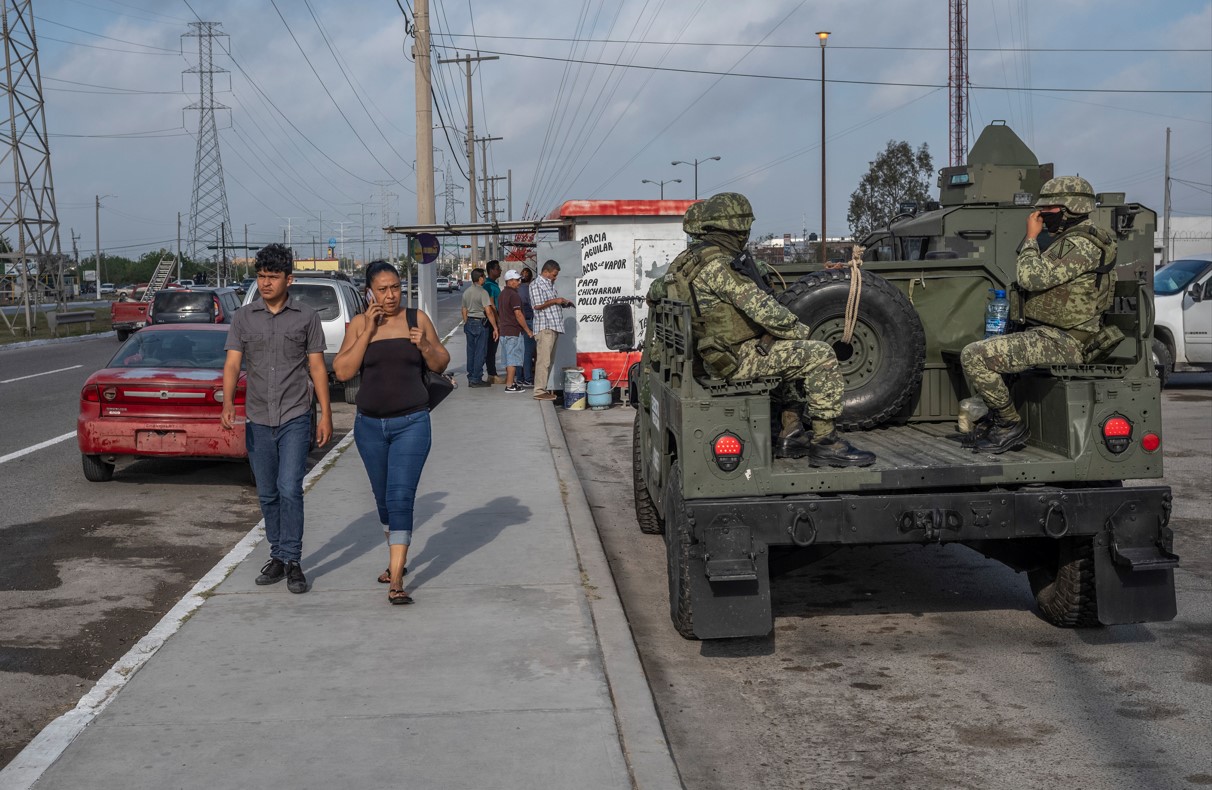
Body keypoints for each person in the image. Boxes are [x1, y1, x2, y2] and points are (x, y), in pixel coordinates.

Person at [664, 193, 876, 467]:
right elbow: (768, 312)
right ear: (735, 230)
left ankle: (792, 433)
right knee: (820, 355)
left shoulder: (686, 261)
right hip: (731, 359)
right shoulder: (718, 267)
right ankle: (825, 442)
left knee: (784, 352)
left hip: (708, 355)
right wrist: (800, 332)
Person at [960, 176, 1117, 453]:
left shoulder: (1081, 245)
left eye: (1049, 210)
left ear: (1071, 209)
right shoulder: (1068, 239)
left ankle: (1009, 425)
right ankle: (995, 418)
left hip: (1065, 341)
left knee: (974, 356)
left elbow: (1031, 278)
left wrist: (1032, 237)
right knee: (986, 353)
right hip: (1048, 334)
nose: (1041, 215)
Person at [333, 261, 450, 605]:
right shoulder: (359, 324)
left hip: (412, 422)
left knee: (401, 498)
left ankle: (397, 579)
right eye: (382, 289)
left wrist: (425, 346)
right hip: (369, 426)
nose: (390, 295)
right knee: (383, 499)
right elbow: (342, 371)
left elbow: (441, 362)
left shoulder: (417, 319)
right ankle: (394, 560)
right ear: (369, 291)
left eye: (395, 287)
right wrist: (367, 332)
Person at [221, 243, 333, 594]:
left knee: (289, 488)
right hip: (257, 417)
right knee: (268, 492)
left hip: (295, 416)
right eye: (261, 276)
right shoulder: (244, 317)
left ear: (289, 279)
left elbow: (317, 367)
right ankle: (278, 557)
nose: (266, 283)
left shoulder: (306, 317)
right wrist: (227, 403)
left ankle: (295, 561)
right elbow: (233, 364)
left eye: (273, 276)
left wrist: (326, 414)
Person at [529, 259, 573, 401]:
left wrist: (562, 303)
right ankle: (539, 390)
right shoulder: (536, 284)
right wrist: (556, 301)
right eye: (554, 275)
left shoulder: (549, 285)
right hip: (545, 327)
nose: (555, 277)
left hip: (553, 326)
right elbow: (537, 305)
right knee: (544, 361)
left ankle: (543, 389)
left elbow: (550, 304)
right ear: (546, 272)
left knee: (549, 361)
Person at [497, 269, 534, 393]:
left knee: (508, 360)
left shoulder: (502, 294)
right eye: (517, 280)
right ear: (510, 281)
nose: (519, 282)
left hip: (504, 331)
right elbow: (518, 314)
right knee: (513, 360)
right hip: (513, 332)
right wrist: (528, 330)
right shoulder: (514, 295)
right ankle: (509, 385)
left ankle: (512, 382)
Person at [459, 268, 497, 388]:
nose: (484, 279)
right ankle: (477, 378)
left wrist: (466, 322)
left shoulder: (467, 292)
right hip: (480, 323)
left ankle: (471, 377)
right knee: (481, 351)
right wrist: (495, 327)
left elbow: (464, 309)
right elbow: (488, 311)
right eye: (484, 277)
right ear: (480, 278)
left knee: (471, 351)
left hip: (469, 322)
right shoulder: (483, 292)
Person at [483, 260, 503, 383]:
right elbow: (491, 305)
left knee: (493, 349)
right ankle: (492, 374)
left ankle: (492, 372)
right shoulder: (488, 286)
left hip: (495, 319)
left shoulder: (493, 284)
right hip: (492, 321)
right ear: (491, 270)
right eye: (497, 268)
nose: (500, 270)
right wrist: (497, 322)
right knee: (491, 349)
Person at [517, 266, 537, 388]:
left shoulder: (516, 290)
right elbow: (534, 306)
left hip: (518, 322)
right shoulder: (531, 290)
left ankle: (519, 377)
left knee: (520, 351)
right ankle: (528, 378)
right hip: (529, 321)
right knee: (528, 352)